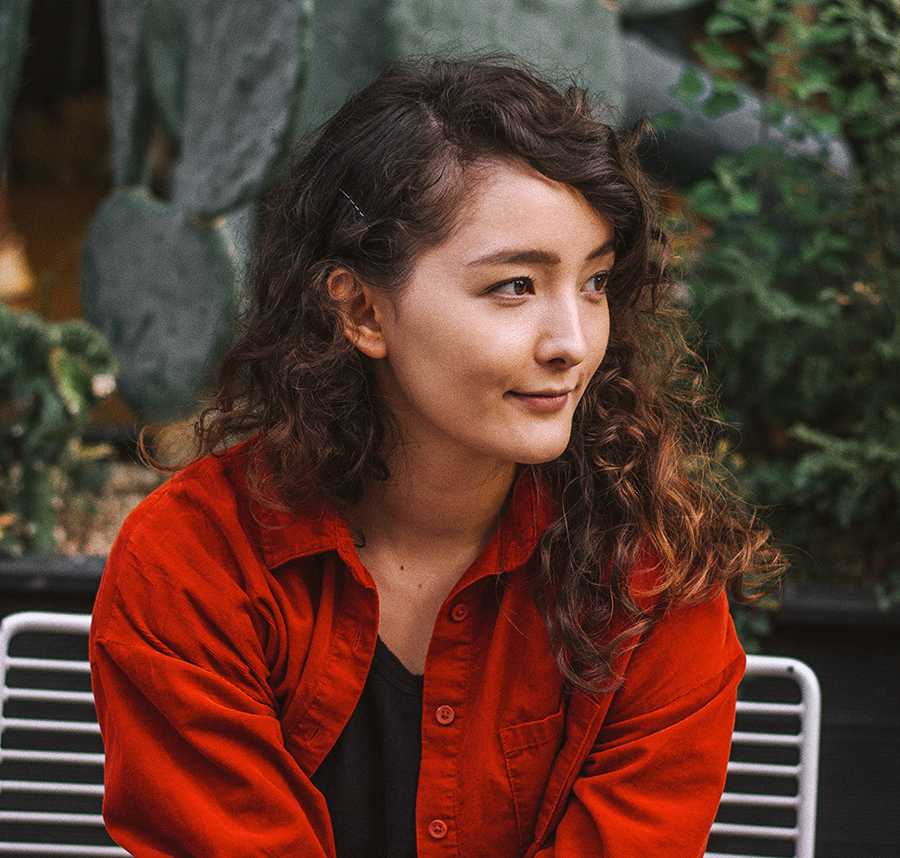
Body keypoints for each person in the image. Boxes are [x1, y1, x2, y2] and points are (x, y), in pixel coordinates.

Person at [89, 51, 785, 858]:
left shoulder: (647, 574)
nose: (572, 343)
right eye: (515, 286)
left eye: (594, 283)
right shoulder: (199, 563)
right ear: (361, 311)